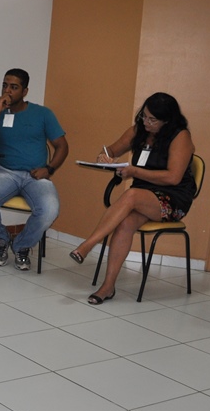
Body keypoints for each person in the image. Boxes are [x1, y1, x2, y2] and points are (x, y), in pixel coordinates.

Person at [68, 92, 195, 304]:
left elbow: (173, 177)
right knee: (125, 223)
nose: (146, 122)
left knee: (132, 195)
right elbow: (111, 149)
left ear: (167, 120)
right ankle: (108, 287)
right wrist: (105, 156)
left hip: (172, 198)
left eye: (152, 119)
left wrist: (134, 171)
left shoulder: (180, 136)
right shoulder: (139, 130)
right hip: (143, 195)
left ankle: (88, 245)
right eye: (144, 116)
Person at [0, 68, 69, 271]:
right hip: (6, 173)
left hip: (36, 175)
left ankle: (21, 246)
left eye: (14, 87)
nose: (7, 91)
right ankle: (1, 240)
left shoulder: (43, 114)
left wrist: (49, 169)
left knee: (50, 210)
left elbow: (62, 146)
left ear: (25, 91)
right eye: (4, 85)